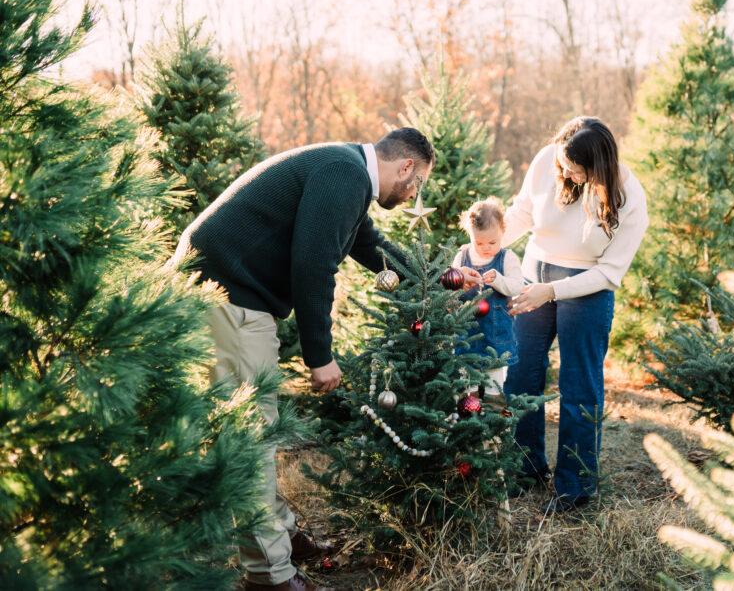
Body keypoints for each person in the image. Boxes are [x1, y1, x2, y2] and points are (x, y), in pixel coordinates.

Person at [174, 128, 438, 591]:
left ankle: (283, 538)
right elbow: (314, 265)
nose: (415, 194)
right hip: (225, 298)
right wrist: (320, 356)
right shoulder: (345, 174)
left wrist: (436, 281)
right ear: (406, 167)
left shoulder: (348, 172)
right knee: (250, 439)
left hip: (228, 295)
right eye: (417, 184)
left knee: (258, 431)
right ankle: (269, 576)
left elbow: (369, 246)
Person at [503, 116, 649, 515]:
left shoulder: (630, 198)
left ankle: (575, 487)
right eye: (561, 162)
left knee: (578, 386)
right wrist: (484, 246)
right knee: (519, 374)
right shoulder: (547, 162)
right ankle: (524, 467)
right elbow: (521, 213)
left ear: (598, 166)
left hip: (587, 289)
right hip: (535, 274)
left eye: (573, 168)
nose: (563, 171)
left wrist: (553, 291)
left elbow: (609, 272)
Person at [451, 197, 524, 401]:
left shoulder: (507, 258)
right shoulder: (462, 256)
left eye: (492, 242)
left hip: (496, 334)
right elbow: (451, 283)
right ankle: (469, 422)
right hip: (467, 334)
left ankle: (494, 422)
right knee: (467, 383)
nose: (485, 248)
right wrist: (457, 287)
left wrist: (499, 280)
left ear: (503, 231)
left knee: (494, 383)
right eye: (479, 243)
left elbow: (518, 286)